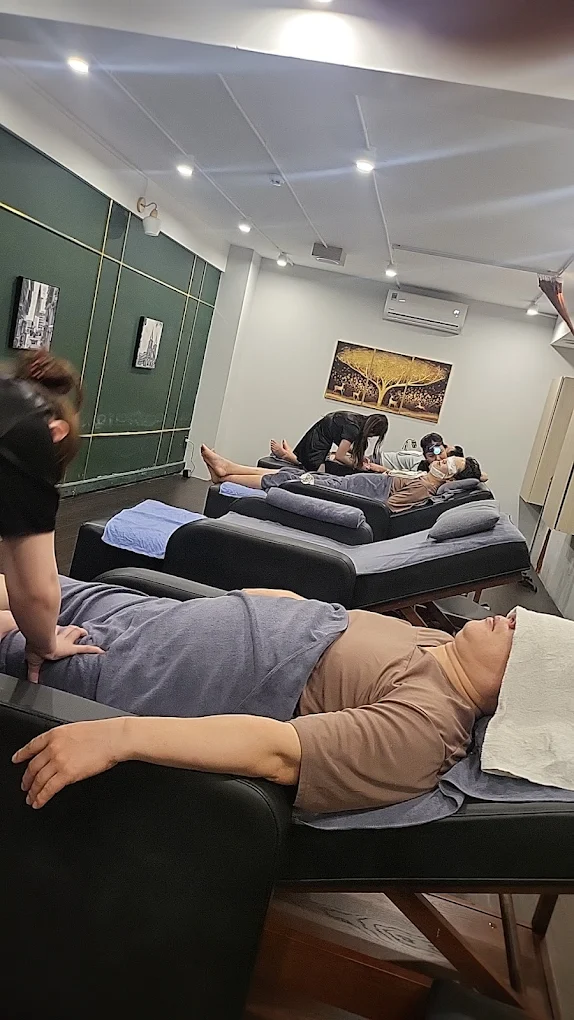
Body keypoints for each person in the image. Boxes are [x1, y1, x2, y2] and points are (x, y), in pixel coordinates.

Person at [5, 575, 516, 813]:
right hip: (156, 616)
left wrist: (116, 736)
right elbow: (319, 613)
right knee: (25, 580)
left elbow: (276, 752)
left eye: (524, 638)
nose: (511, 617)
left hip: (138, 671)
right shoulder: (437, 641)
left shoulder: (425, 729)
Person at [0, 351, 101, 682]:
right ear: (56, 433)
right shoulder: (29, 432)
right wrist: (44, 643)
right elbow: (37, 591)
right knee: (18, 616)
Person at [202, 446, 484, 513]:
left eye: (449, 464)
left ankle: (226, 475)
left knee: (290, 479)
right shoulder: (424, 477)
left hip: (345, 491)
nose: (442, 460)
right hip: (349, 484)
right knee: (294, 474)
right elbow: (478, 477)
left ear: (450, 477)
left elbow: (383, 511)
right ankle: (227, 470)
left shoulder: (423, 488)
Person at [270, 411, 389, 471]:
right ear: (372, 431)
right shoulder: (353, 428)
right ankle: (286, 456)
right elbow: (340, 456)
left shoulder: (358, 420)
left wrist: (360, 457)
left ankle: (290, 454)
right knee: (315, 468)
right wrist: (358, 466)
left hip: (320, 433)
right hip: (319, 438)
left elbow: (342, 443)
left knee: (310, 458)